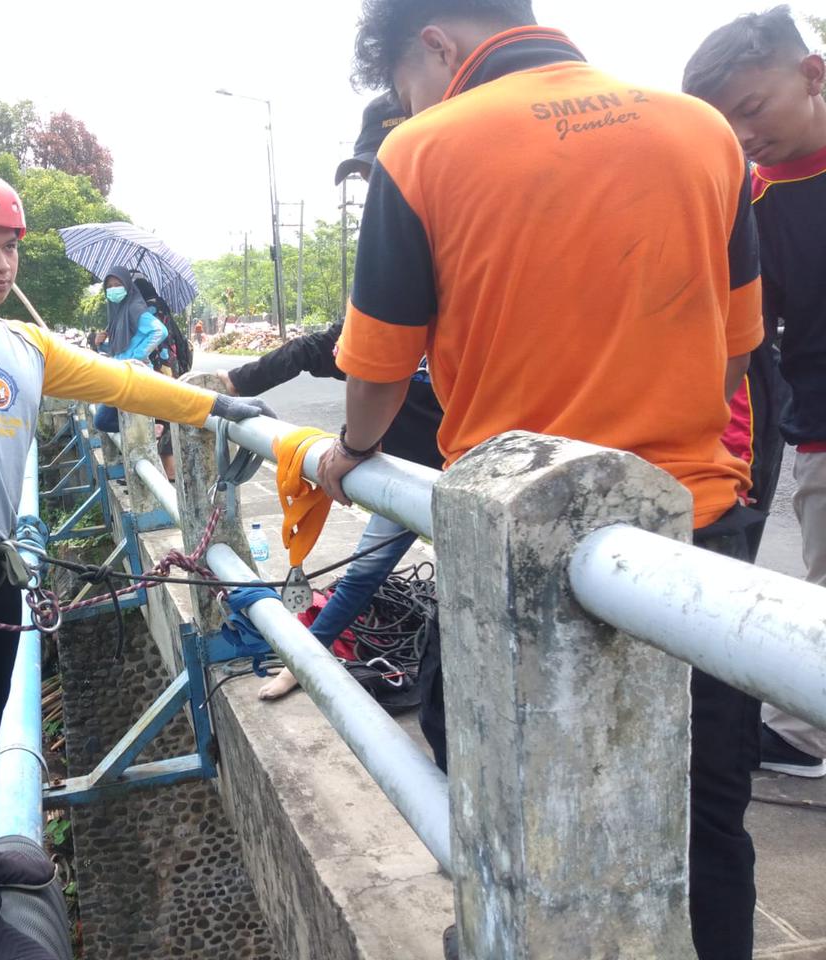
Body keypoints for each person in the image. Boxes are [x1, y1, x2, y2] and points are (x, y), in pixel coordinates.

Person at [321, 4, 765, 958]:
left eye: (406, 81)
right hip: (698, 527)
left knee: (493, 787)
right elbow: (734, 351)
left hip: (521, 548)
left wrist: (349, 453)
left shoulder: (422, 149)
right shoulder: (704, 132)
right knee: (707, 822)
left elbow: (377, 376)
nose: (411, 101)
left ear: (434, 45)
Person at [0, 167, 271, 960]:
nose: (1, 265)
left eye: (8, 249)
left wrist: (217, 405)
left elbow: (121, 381)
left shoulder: (25, 345)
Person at [218, 90, 439, 701]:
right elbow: (321, 349)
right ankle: (308, 659)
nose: (378, 192)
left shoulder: (469, 259)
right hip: (411, 478)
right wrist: (234, 385)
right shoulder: (393, 270)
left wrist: (352, 446)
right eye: (370, 177)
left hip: (481, 472)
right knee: (362, 572)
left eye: (384, 175)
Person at [685, 6, 826, 780]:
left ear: (813, 74)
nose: (742, 136)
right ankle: (803, 736)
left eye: (750, 109)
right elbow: (742, 341)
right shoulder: (754, 203)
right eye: (725, 124)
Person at [93, 266, 168, 435]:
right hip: (122, 375)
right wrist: (101, 344)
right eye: (109, 286)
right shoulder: (118, 313)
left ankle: (152, 429)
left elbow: (160, 331)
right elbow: (120, 349)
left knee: (102, 420)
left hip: (134, 376)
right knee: (106, 420)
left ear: (127, 285)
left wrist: (137, 356)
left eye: (117, 284)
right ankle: (151, 430)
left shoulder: (134, 308)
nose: (113, 289)